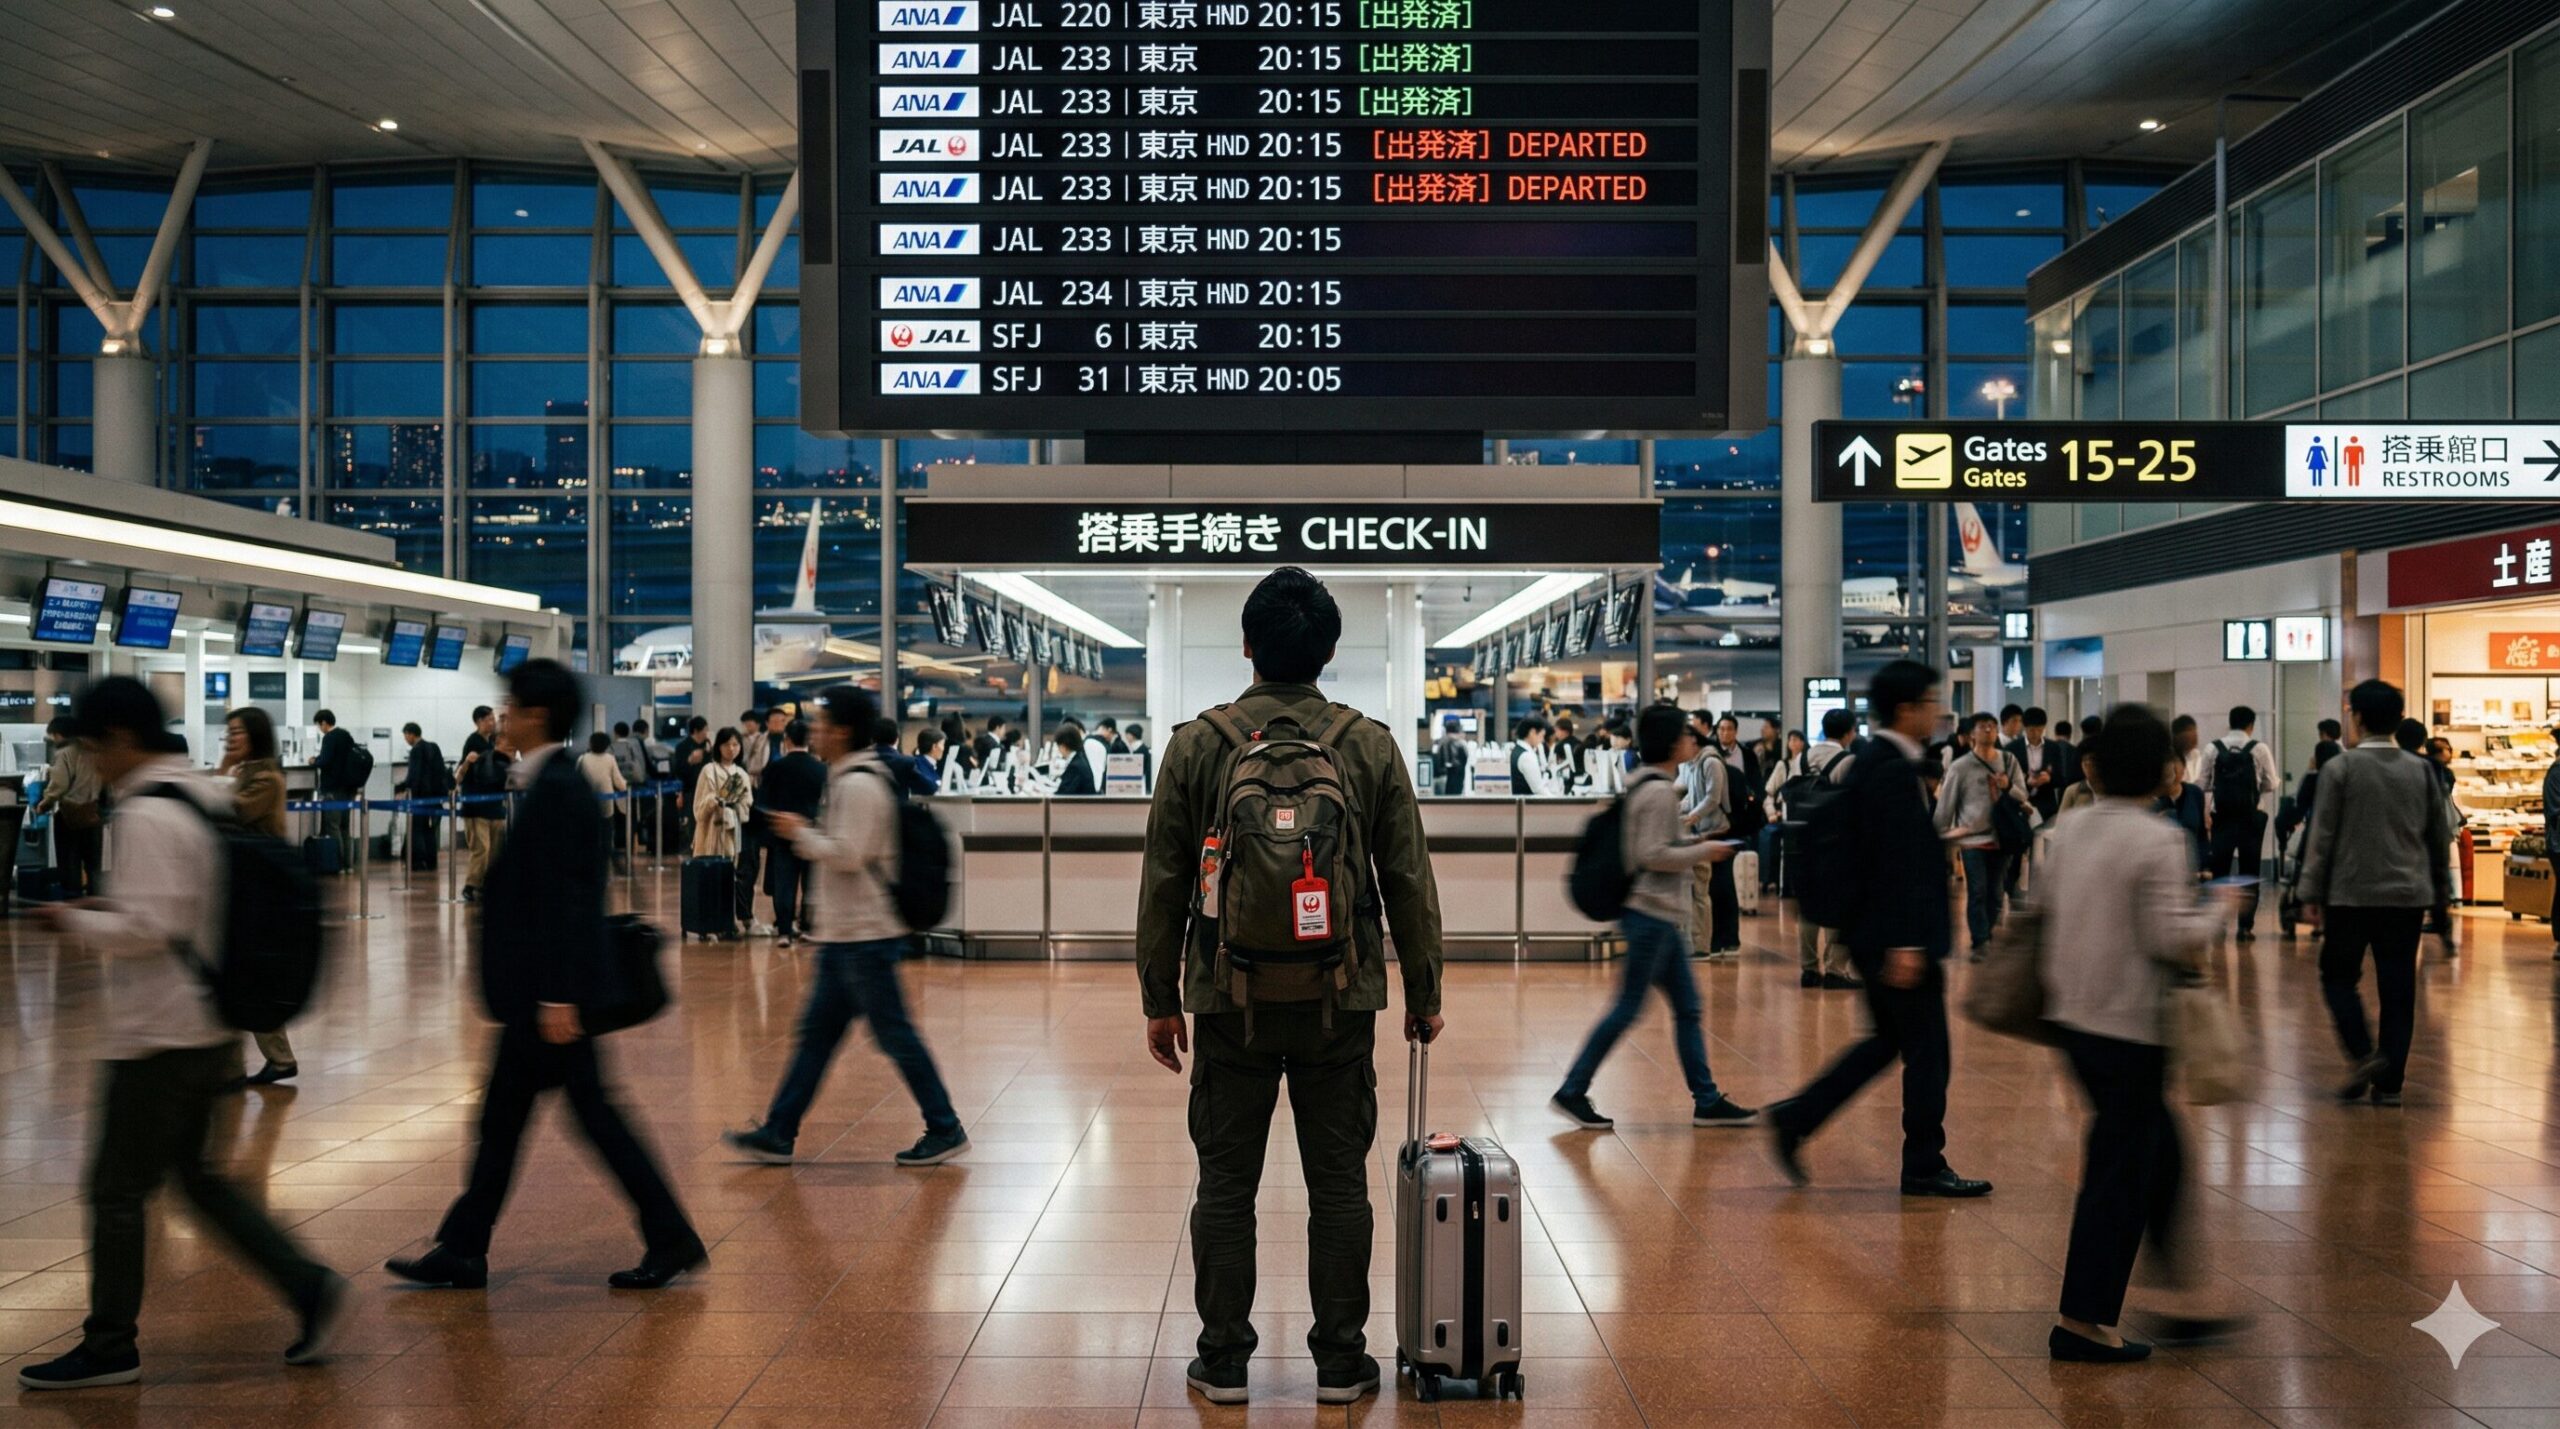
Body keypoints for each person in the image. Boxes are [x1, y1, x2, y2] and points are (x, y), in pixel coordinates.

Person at [1135, 567, 1443, 1409]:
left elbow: (1164, 878)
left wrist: (1159, 996)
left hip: (1226, 1000)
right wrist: (1424, 989)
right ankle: (1342, 1362)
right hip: (1339, 1001)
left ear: (1246, 645)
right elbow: (1408, 877)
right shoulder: (1368, 743)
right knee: (1339, 1182)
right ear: (1330, 650)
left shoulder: (1200, 743)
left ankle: (1224, 1361)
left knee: (1225, 1184)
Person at [18, 679, 348, 1390]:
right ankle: (310, 1286)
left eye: (90, 743)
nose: (87, 756)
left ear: (119, 739)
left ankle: (110, 1344)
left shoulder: (143, 812)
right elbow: (182, 903)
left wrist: (69, 917)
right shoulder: (197, 792)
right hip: (210, 1023)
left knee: (115, 1189)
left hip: (159, 1036)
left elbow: (151, 926)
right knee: (199, 1180)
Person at [390, 659, 705, 1293]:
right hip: (540, 998)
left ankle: (665, 1236)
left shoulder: (559, 789)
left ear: (534, 715)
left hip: (549, 1002)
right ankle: (465, 1247)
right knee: (516, 1121)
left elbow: (571, 899)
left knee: (575, 1122)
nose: (502, 715)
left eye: (509, 705)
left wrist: (560, 994)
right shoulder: (548, 783)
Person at [2037, 706, 2243, 1363]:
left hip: (2075, 1018)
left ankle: (2183, 1295)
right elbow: (2169, 937)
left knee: (2159, 1155)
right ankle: (2083, 1319)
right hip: (2129, 1025)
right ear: (2159, 767)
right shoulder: (2157, 839)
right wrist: (2220, 909)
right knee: (2122, 1170)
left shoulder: (2067, 828)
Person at [1767, 660, 1991, 1200]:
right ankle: (1921, 1165)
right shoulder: (1889, 769)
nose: (1937, 712)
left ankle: (1797, 1118)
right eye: (1931, 702)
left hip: (1876, 934)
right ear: (1907, 709)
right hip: (1894, 941)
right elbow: (1893, 862)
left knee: (1889, 1044)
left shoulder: (1880, 762)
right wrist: (1907, 943)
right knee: (1928, 1051)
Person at [726, 686, 970, 1167]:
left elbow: (850, 853)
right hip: (847, 938)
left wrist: (801, 835)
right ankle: (780, 1129)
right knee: (816, 1037)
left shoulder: (859, 785)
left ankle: (944, 1126)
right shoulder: (847, 777)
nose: (814, 730)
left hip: (866, 938)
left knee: (895, 1036)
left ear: (840, 731)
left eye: (820, 722)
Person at [1552, 704, 1758, 1133]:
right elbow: (1651, 855)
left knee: (1687, 1007)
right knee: (1629, 1008)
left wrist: (1691, 843)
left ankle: (1706, 1098)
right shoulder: (1661, 791)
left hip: (1654, 918)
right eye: (1686, 734)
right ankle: (1573, 1089)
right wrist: (1706, 850)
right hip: (1651, 918)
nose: (1692, 740)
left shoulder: (1647, 784)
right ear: (1671, 742)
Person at [2299, 679, 2453, 1108]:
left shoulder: (2340, 769)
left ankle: (2365, 1054)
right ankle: (2391, 1085)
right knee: (2398, 987)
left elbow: (2322, 835)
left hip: (2349, 895)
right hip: (2406, 896)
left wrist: (2309, 891)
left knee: (2338, 978)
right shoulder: (2422, 770)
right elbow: (2437, 838)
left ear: (2359, 717)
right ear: (2398, 720)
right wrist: (2442, 895)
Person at [216, 708, 299, 1089]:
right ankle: (243, 1063)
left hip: (259, 888)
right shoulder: (245, 773)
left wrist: (223, 771)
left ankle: (273, 1059)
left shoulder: (265, 778)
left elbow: (228, 810)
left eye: (237, 733)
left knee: (246, 974)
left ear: (256, 736)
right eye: (228, 733)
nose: (231, 740)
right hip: (241, 883)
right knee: (235, 974)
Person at [1937, 714, 2030, 960]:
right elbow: (1947, 804)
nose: (1988, 731)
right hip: (1973, 839)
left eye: (1992, 727)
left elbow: (2023, 795)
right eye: (1982, 727)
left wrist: (2008, 786)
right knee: (1977, 890)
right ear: (1972, 735)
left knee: (1995, 892)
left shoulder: (2009, 761)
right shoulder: (1960, 767)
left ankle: (1987, 934)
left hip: (2003, 837)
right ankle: (1980, 942)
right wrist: (1940, 832)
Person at [2199, 706, 2280, 942]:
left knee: (2220, 870)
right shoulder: (2259, 749)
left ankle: (2218, 924)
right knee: (2249, 871)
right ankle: (2245, 927)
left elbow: (2203, 783)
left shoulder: (2213, 748)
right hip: (2251, 819)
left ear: (2229, 722)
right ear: (2251, 725)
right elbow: (2272, 783)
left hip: (2222, 817)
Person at [1793, 709, 1859, 990]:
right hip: (1836, 842)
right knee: (1840, 903)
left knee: (1808, 904)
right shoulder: (1849, 760)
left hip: (1801, 839)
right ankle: (1834, 969)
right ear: (1849, 733)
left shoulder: (1801, 758)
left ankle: (1808, 970)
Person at [759, 720, 827, 946]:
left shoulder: (776, 768)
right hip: (812, 833)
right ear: (809, 741)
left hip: (782, 834)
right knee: (811, 884)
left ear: (787, 740)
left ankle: (784, 932)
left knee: (784, 884)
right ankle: (807, 927)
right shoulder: (821, 769)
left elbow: (763, 802)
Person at [1680, 711, 1740, 960]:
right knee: (1708, 888)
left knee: (1718, 888)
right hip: (1703, 830)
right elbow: (1689, 797)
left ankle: (1719, 942)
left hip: (1717, 830)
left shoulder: (1711, 762)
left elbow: (1712, 798)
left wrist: (1691, 816)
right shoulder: (1692, 764)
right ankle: (1712, 941)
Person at [36, 715, 103, 899]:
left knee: (69, 864)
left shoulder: (64, 752)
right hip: (93, 814)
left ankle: (72, 903)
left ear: (59, 734)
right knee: (93, 865)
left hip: (69, 816)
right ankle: (95, 904)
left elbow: (59, 784)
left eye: (53, 736)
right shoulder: (93, 751)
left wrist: (44, 803)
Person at [455, 706, 510, 902]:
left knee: (495, 849)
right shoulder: (473, 742)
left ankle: (489, 884)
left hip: (495, 805)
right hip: (476, 805)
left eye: (493, 719)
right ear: (478, 721)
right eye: (488, 719)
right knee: (481, 848)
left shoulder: (493, 742)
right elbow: (460, 774)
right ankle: (471, 885)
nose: (492, 722)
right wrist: (469, 762)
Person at [1758, 729, 1809, 893]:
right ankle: (1769, 879)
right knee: (1769, 836)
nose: (1793, 743)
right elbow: (1769, 792)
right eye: (1791, 740)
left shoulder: (1808, 765)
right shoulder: (1783, 765)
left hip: (1800, 814)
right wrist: (1772, 812)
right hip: (1781, 813)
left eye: (1797, 740)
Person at [691, 728, 752, 864]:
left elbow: (747, 805)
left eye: (735, 745)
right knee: (710, 873)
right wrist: (715, 801)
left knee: (730, 872)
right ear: (718, 747)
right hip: (709, 832)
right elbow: (699, 808)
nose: (731, 749)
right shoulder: (709, 771)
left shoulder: (742, 774)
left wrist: (734, 808)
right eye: (726, 745)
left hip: (732, 832)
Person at [395, 722, 450, 872]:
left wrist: (401, 788)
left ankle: (418, 862)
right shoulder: (434, 747)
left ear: (411, 734)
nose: (406, 739)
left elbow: (414, 775)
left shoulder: (416, 750)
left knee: (416, 829)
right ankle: (431, 861)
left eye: (406, 735)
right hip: (435, 797)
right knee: (430, 829)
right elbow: (441, 771)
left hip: (420, 796)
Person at [312, 709, 360, 871]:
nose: (320, 728)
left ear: (324, 723)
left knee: (333, 825)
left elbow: (325, 761)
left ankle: (337, 864)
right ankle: (349, 865)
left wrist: (314, 760)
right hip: (348, 787)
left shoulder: (329, 737)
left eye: (319, 725)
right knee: (345, 827)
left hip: (333, 787)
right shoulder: (346, 735)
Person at [578, 731, 628, 859]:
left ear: (590, 743)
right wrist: (627, 784)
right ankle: (605, 856)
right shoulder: (610, 759)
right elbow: (619, 782)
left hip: (586, 799)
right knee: (606, 829)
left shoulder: (583, 759)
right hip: (607, 800)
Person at [1509, 715, 1558, 795]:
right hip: (1527, 806)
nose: (1542, 740)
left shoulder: (1516, 750)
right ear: (1532, 732)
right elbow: (1539, 790)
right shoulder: (1527, 756)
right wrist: (1559, 803)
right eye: (1542, 735)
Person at [1052, 724, 1101, 795]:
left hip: (1079, 805)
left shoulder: (1075, 767)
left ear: (1064, 746)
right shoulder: (1080, 759)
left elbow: (1063, 795)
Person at [909, 728, 946, 796]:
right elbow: (932, 787)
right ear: (934, 746)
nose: (943, 749)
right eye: (942, 744)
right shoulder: (919, 765)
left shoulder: (925, 763)